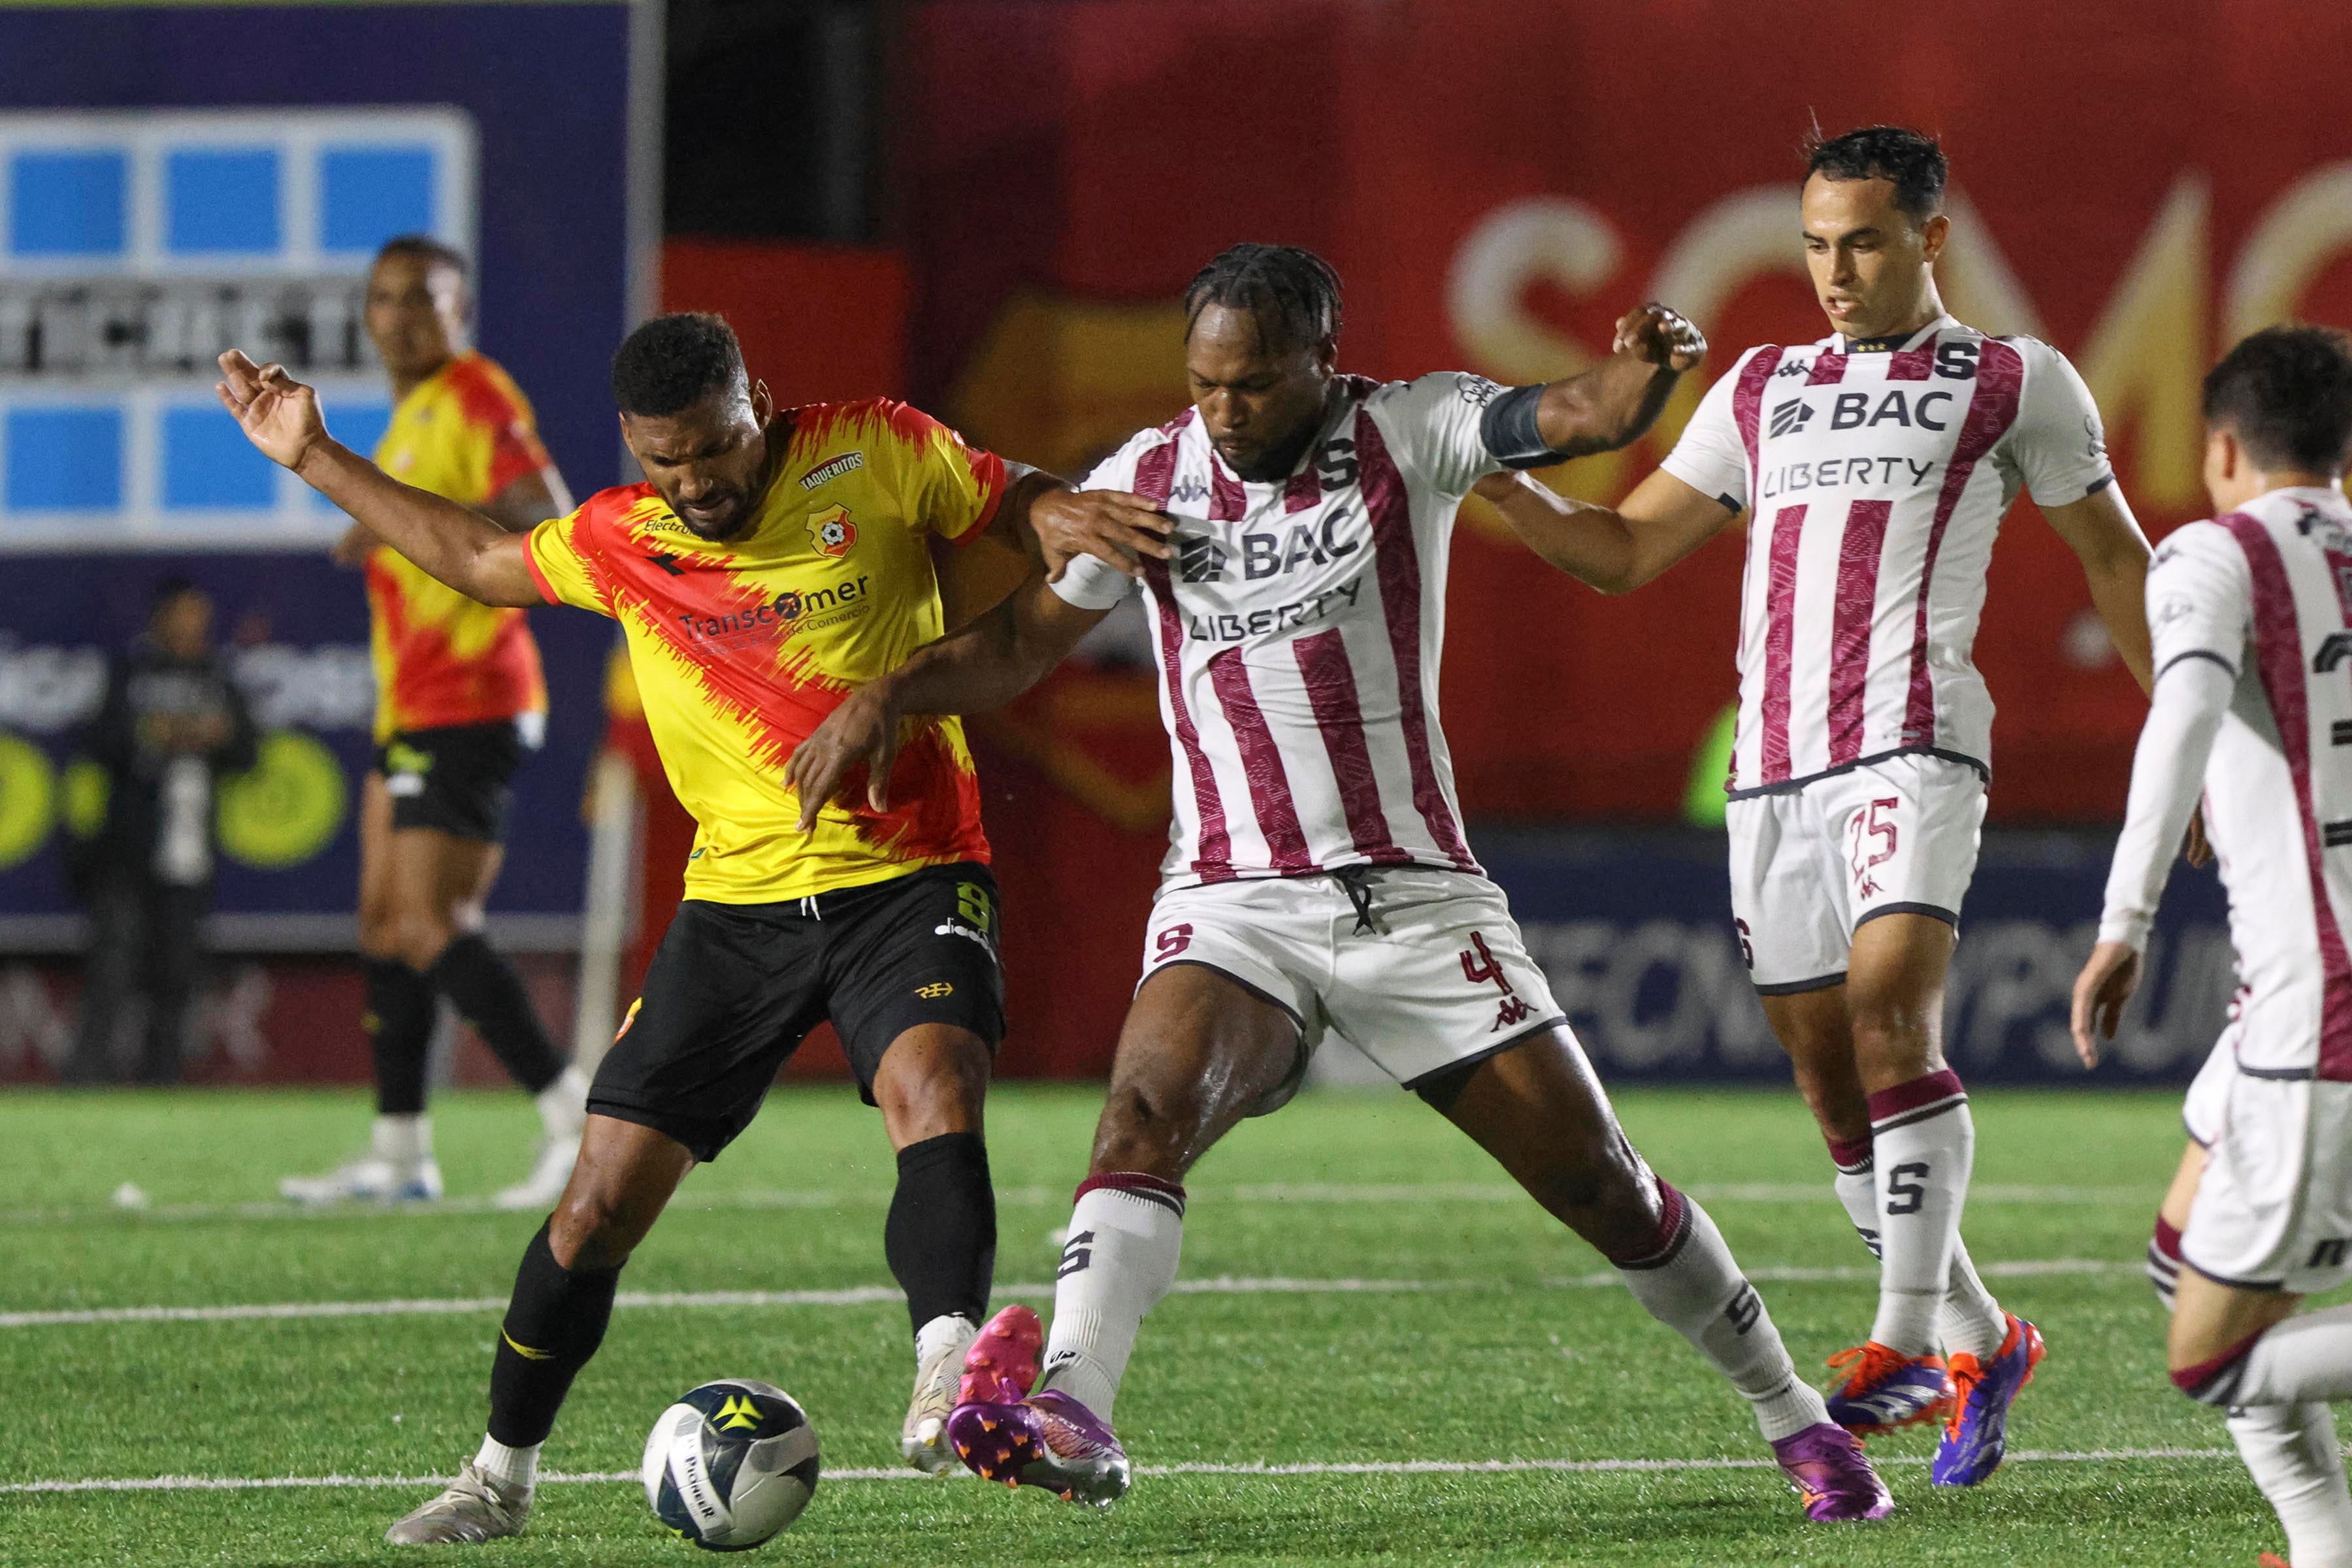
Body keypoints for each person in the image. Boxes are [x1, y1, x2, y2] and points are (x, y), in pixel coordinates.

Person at [788, 242, 1893, 1522]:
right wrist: (891, 691)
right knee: (1143, 1113)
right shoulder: (1148, 480)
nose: (1225, 410)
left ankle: (1794, 1418)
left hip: (1416, 898)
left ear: (1322, 360)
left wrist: (1639, 382)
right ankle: (1072, 1409)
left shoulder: (1408, 428)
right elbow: (1024, 641)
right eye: (1206, 384)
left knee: (1604, 1185)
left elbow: (1569, 414)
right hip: (1235, 900)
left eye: (1253, 385)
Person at [211, 312, 1169, 1543]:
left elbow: (1012, 497)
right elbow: (479, 553)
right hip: (737, 907)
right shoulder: (626, 537)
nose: (697, 482)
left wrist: (1060, 517)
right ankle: (499, 1476)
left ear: (755, 403)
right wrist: (315, 457)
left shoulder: (873, 449)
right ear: (632, 446)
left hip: (911, 871)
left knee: (935, 1086)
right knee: (595, 1208)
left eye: (715, 450)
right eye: (667, 460)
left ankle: (946, 1369)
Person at [1461, 125, 2176, 1482]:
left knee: (1892, 1018)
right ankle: (1984, 1337)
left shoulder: (2018, 380)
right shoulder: (1761, 382)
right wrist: (1489, 477)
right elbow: (1622, 553)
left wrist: (2183, 748)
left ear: (1931, 238)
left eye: (1861, 242)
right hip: (1775, 772)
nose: (1833, 271)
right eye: (1814, 244)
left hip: (1916, 742)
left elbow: (2114, 560)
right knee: (1829, 1080)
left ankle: (1904, 1336)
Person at [2072, 324, 2352, 1568]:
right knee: (2177, 1255)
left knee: (2217, 1356)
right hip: (2272, 1027)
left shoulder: (2213, 550)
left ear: (2222, 447)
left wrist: (2122, 924)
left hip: (2322, 1020)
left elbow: (2180, 707)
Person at [278, 235, 589, 1211]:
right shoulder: (413, 415)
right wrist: (381, 520)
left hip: (473, 695)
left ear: (461, 311)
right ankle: (402, 1151)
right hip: (413, 702)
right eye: (385, 298)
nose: (401, 315)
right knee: (383, 923)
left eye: (424, 297)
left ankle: (572, 1116)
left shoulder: (474, 393)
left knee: (429, 920)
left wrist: (392, 518)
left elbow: (547, 511)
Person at [61, 576, 257, 1085]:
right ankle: (86, 1083)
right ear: (160, 620)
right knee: (111, 970)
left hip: (189, 852)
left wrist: (214, 736)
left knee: (176, 974)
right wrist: (156, 733)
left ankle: (162, 1082)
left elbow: (248, 752)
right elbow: (99, 741)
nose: (191, 629)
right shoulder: (129, 674)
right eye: (182, 618)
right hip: (126, 850)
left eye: (199, 619)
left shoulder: (218, 678)